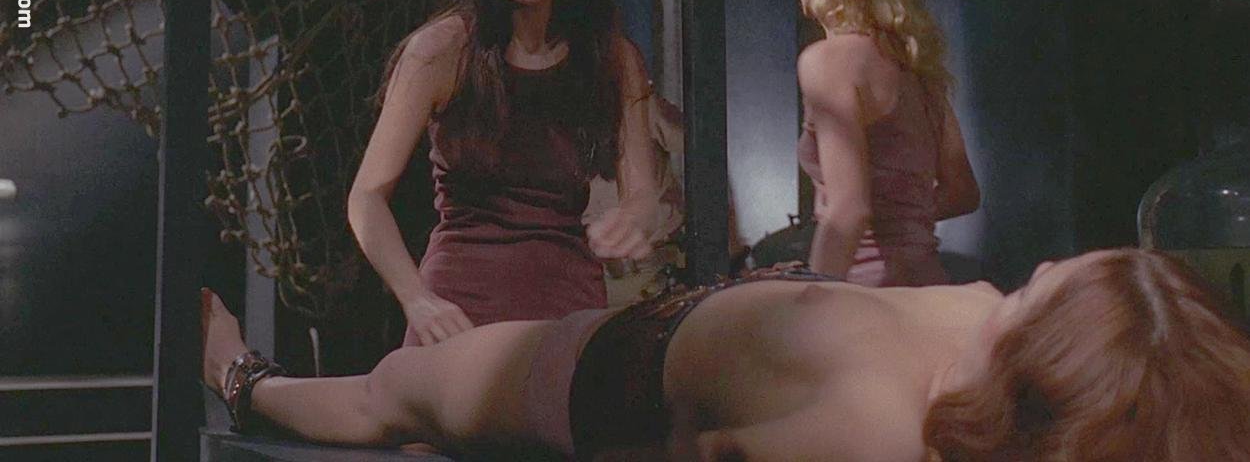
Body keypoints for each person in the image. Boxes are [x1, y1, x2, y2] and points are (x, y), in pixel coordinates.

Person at [203, 247, 1250, 460]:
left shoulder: (872, 431)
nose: (1011, 283)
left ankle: (246, 383)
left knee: (393, 391)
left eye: (1030, 295)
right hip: (712, 314)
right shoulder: (987, 325)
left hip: (614, 368)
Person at [347, 0, 658, 346]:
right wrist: (416, 298)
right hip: (458, 304)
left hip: (565, 305)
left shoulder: (612, 59)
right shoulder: (443, 50)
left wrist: (632, 220)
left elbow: (641, 192)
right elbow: (365, 198)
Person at [791, 0, 980, 286]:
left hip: (869, 288)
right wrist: (901, 214)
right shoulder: (917, 67)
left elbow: (849, 210)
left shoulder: (828, 61)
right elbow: (963, 192)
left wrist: (811, 298)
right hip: (928, 282)